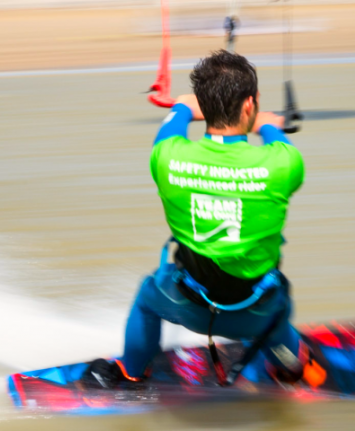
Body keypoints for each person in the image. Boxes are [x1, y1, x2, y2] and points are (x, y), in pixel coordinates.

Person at [84, 50, 307, 389]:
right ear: (251, 103)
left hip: (186, 305)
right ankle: (290, 369)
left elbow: (172, 127)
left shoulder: (168, 157)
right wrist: (267, 125)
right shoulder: (283, 164)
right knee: (277, 316)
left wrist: (185, 107)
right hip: (258, 314)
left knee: (147, 297)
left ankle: (131, 371)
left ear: (204, 104)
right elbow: (278, 141)